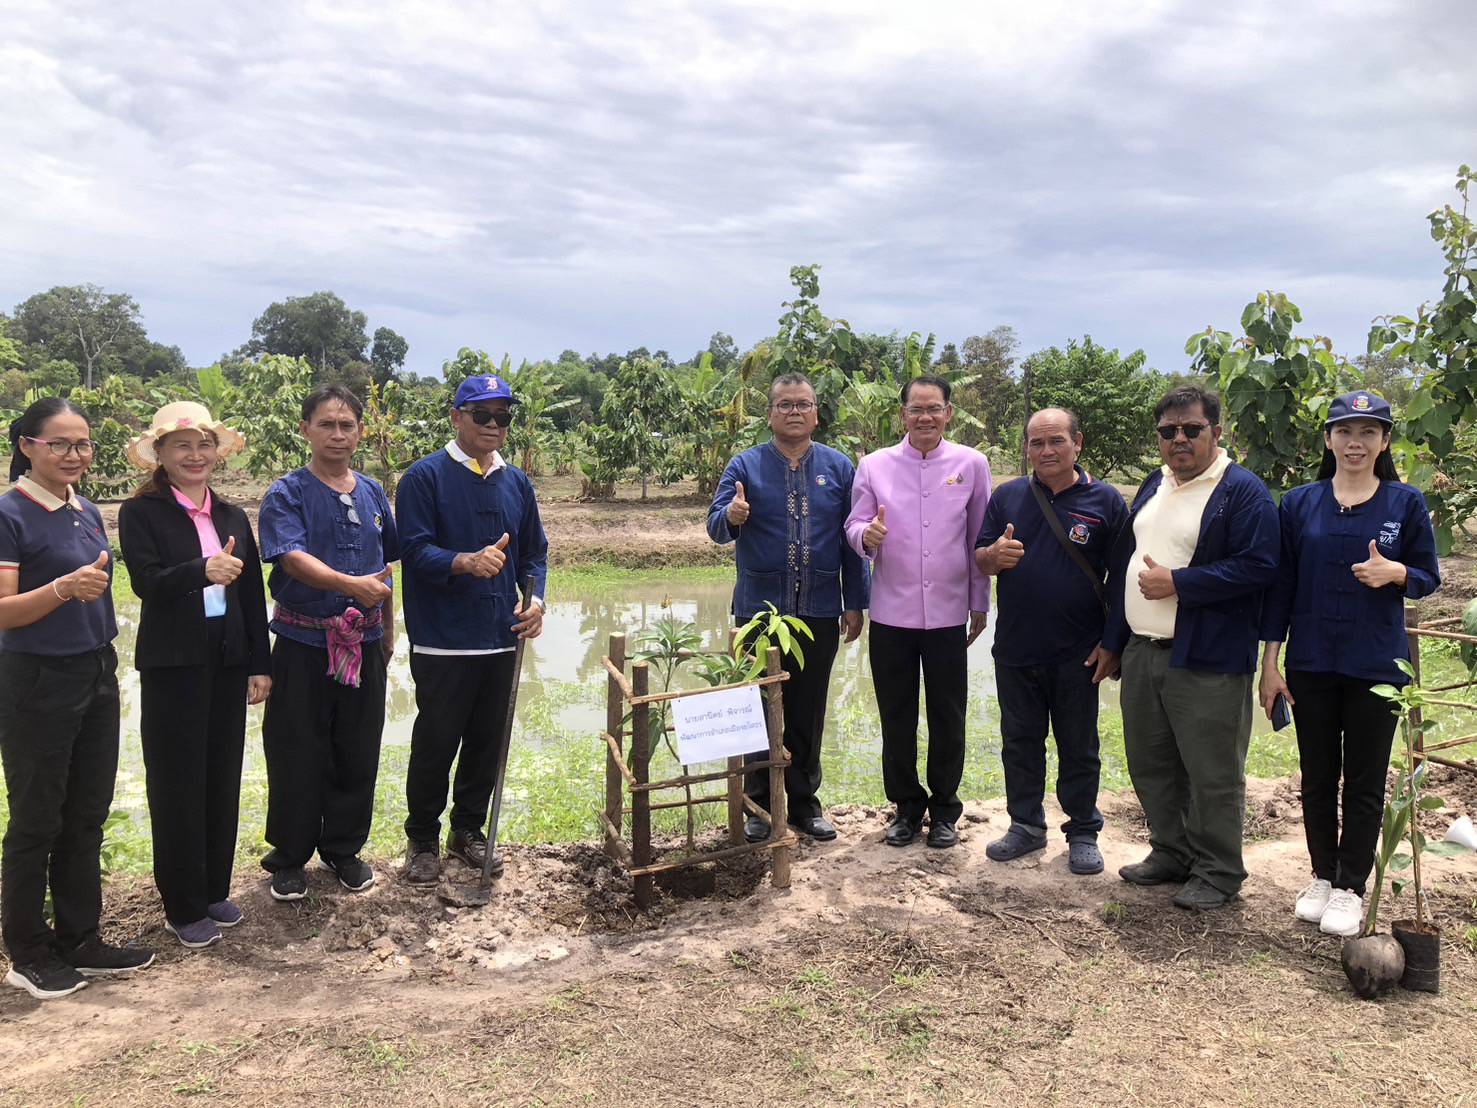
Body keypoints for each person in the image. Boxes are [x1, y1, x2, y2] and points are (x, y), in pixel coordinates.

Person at [1259, 391, 1440, 937]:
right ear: (1328, 439)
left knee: (1364, 779)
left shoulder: (1404, 504)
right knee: (1316, 775)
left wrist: (1398, 575)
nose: (1354, 442)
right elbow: (1282, 588)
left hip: (1374, 664)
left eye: (1368, 432)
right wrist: (1271, 664)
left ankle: (1350, 887)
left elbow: (1429, 577)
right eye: (1344, 431)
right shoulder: (1299, 504)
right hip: (1311, 661)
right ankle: (1320, 875)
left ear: (1384, 441)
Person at [1101, 385, 1279, 910]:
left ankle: (1219, 870)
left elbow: (1261, 565)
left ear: (1216, 433)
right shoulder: (1156, 484)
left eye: (1191, 430)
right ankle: (1171, 851)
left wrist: (1182, 583)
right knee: (1150, 761)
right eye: (1168, 432)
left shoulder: (1242, 490)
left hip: (1207, 657)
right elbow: (1128, 563)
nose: (1179, 439)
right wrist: (1114, 642)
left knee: (1212, 771)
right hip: (1144, 651)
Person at [0, 398, 154, 1000]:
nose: (74, 455)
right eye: (59, 444)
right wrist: (63, 588)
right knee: (37, 817)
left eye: (83, 444)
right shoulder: (10, 513)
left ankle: (80, 937)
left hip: (94, 670)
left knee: (86, 812)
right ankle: (28, 951)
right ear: (26, 446)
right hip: (36, 678)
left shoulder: (85, 509)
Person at [117, 402, 272, 949]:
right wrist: (201, 571)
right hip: (173, 661)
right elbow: (146, 583)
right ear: (159, 454)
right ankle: (181, 904)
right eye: (182, 446)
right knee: (177, 781)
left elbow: (251, 594)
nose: (195, 455)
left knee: (220, 774)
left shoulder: (231, 516)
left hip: (227, 657)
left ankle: (212, 890)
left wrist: (260, 663)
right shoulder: (142, 514)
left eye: (204, 444)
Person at [396, 374, 548, 886]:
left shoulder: (517, 482)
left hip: (501, 636)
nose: (493, 425)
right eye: (481, 414)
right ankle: (421, 839)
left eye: (502, 416)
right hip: (443, 639)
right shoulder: (424, 477)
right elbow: (412, 551)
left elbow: (535, 554)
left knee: (488, 740)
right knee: (436, 741)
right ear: (456, 417)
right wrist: (463, 561)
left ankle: (467, 831)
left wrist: (537, 600)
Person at [707, 372, 868, 843]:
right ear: (770, 413)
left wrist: (854, 602)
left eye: (803, 404)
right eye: (785, 404)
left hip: (818, 609)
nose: (794, 411)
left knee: (808, 708)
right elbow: (715, 528)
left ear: (816, 413)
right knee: (756, 707)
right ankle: (760, 805)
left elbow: (853, 541)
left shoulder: (839, 468)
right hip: (758, 613)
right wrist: (732, 516)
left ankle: (803, 803)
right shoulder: (745, 465)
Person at [256, 385, 399, 901]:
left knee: (356, 748)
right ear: (306, 430)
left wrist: (389, 629)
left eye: (348, 425)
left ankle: (343, 849)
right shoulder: (287, 493)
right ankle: (290, 856)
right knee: (296, 748)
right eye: (327, 424)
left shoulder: (374, 492)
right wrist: (347, 585)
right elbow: (290, 558)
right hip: (303, 642)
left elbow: (387, 568)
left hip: (365, 643)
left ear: (360, 431)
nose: (338, 434)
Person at [974, 408, 1127, 876]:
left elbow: (1122, 580)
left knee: (1078, 744)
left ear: (1077, 442)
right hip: (1017, 647)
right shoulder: (1008, 497)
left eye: (1056, 441)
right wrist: (992, 555)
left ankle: (1082, 829)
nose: (1046, 451)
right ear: (1026, 448)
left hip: (1079, 650)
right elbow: (978, 556)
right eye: (1036, 443)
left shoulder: (1106, 502)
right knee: (1019, 741)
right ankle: (1025, 824)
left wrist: (1112, 643)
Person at [845, 374, 992, 849]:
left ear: (949, 412)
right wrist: (864, 536)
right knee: (897, 714)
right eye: (916, 409)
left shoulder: (972, 464)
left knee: (949, 713)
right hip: (891, 613)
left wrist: (979, 602)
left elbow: (978, 540)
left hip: (949, 613)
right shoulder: (874, 465)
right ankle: (906, 807)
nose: (925, 417)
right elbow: (854, 522)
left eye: (934, 409)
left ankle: (946, 809)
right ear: (902, 414)